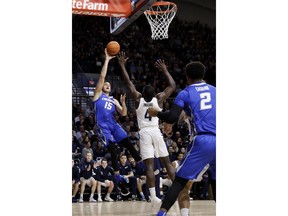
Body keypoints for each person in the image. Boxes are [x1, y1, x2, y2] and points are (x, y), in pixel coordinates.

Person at [148, 61, 216, 216]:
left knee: (179, 181)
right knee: (215, 181)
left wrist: (156, 113)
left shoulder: (185, 93)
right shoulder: (216, 91)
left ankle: (161, 214)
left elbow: (171, 117)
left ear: (187, 76)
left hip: (203, 140)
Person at [118, 52, 176, 212]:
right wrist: (165, 70)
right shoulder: (159, 98)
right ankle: (178, 191)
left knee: (149, 167)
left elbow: (128, 81)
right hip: (156, 132)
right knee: (167, 163)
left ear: (143, 93)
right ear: (154, 93)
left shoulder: (138, 99)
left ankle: (153, 197)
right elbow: (172, 86)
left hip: (144, 133)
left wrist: (122, 65)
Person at [92, 48, 142, 181]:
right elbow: (102, 77)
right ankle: (116, 174)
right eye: (105, 84)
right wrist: (107, 60)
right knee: (113, 150)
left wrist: (123, 103)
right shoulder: (98, 95)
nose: (107, 85)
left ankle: (140, 162)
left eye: (109, 84)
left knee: (127, 142)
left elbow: (124, 114)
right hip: (103, 126)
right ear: (102, 87)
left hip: (113, 124)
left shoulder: (113, 99)